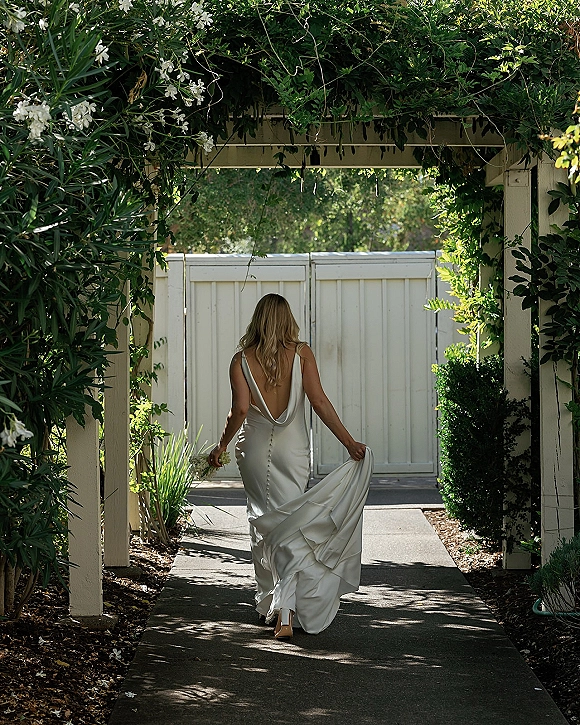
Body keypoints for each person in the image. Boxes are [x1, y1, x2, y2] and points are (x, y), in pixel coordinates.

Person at [208, 293, 373, 640]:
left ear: (257, 320)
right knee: (290, 525)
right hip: (294, 450)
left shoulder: (240, 360)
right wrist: (349, 442)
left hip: (252, 450)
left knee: (265, 524)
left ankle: (277, 605)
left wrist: (221, 445)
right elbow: (319, 402)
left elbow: (239, 411)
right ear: (287, 320)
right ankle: (284, 609)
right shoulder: (302, 354)